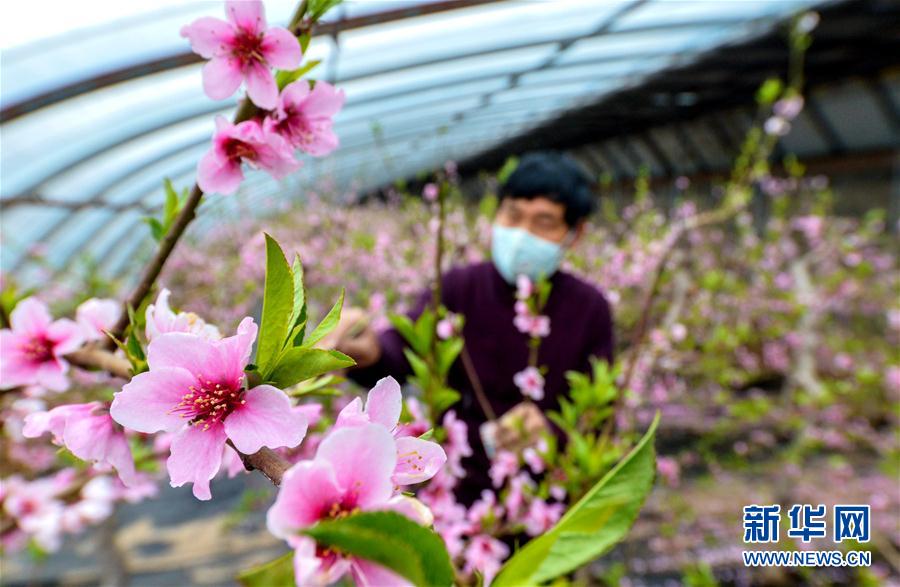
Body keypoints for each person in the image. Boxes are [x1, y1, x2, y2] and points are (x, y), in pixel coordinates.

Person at [327, 151, 615, 504]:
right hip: (456, 490)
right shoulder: (459, 288)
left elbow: (598, 413)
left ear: (575, 233)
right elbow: (402, 349)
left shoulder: (590, 308)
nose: (522, 234)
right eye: (513, 216)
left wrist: (551, 431)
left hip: (542, 496)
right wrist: (372, 352)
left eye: (543, 223)